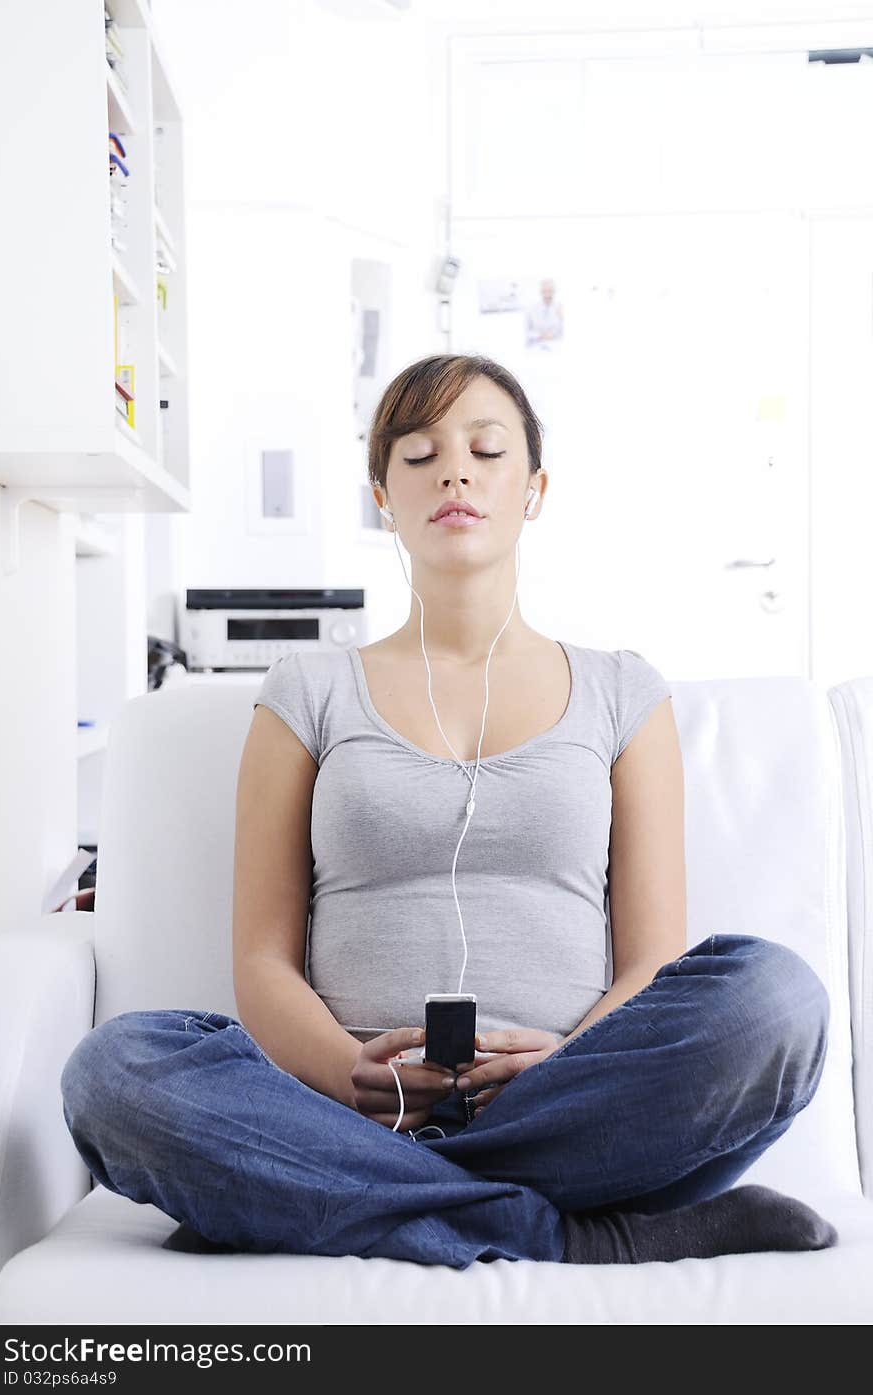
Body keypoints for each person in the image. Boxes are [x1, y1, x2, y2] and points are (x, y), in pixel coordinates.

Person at [60, 353, 837, 1268]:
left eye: (486, 449)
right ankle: (567, 1233)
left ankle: (321, 1198)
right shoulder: (305, 689)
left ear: (534, 489)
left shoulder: (626, 691)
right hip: (344, 1114)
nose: (455, 472)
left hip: (571, 1108)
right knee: (114, 1073)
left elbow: (652, 962)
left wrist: (556, 1067)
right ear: (383, 496)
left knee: (777, 1001)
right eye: (419, 454)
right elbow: (263, 958)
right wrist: (358, 1083)